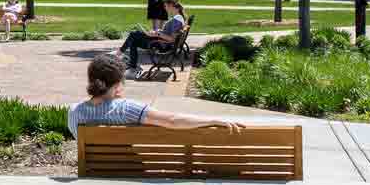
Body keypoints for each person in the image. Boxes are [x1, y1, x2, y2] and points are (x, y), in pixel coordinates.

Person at [68, 53, 248, 136]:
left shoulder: (75, 112)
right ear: (117, 84)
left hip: (92, 175)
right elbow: (172, 120)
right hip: (129, 175)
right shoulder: (127, 109)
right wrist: (211, 121)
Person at [116, 0, 187, 70]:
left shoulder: (177, 20)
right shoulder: (178, 18)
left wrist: (158, 34)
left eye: (165, 6)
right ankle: (131, 63)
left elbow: (172, 39)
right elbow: (169, 34)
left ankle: (120, 53)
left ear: (171, 6)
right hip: (161, 41)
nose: (165, 8)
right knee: (133, 40)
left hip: (162, 44)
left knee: (133, 35)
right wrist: (158, 31)